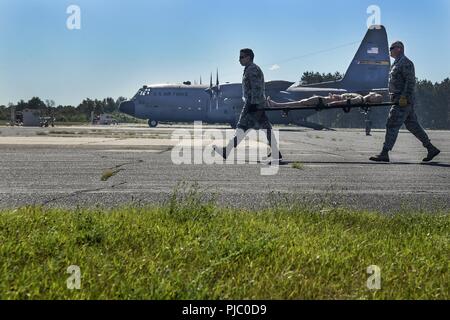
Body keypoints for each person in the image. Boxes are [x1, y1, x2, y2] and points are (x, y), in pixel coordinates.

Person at [369, 41, 440, 162]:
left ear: (399, 49)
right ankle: (431, 148)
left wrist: (404, 97)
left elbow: (410, 82)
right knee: (413, 125)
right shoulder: (396, 63)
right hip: (399, 100)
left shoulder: (406, 63)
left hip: (402, 101)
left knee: (392, 123)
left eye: (392, 48)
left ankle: (384, 153)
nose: (390, 50)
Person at [213, 48, 283, 161]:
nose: (239, 59)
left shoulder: (252, 69)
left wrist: (253, 105)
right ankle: (275, 152)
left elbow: (256, 88)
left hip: (253, 104)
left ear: (248, 57)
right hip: (256, 103)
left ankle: (227, 151)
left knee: (242, 127)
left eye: (241, 57)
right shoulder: (250, 69)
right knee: (265, 128)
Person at [267, 92, 383, 109]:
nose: (373, 93)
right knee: (302, 102)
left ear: (372, 98)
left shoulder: (359, 99)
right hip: (326, 100)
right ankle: (277, 105)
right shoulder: (360, 98)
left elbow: (344, 102)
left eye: (375, 95)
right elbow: (344, 98)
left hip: (324, 101)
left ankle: (277, 105)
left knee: (301, 102)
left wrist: (331, 103)